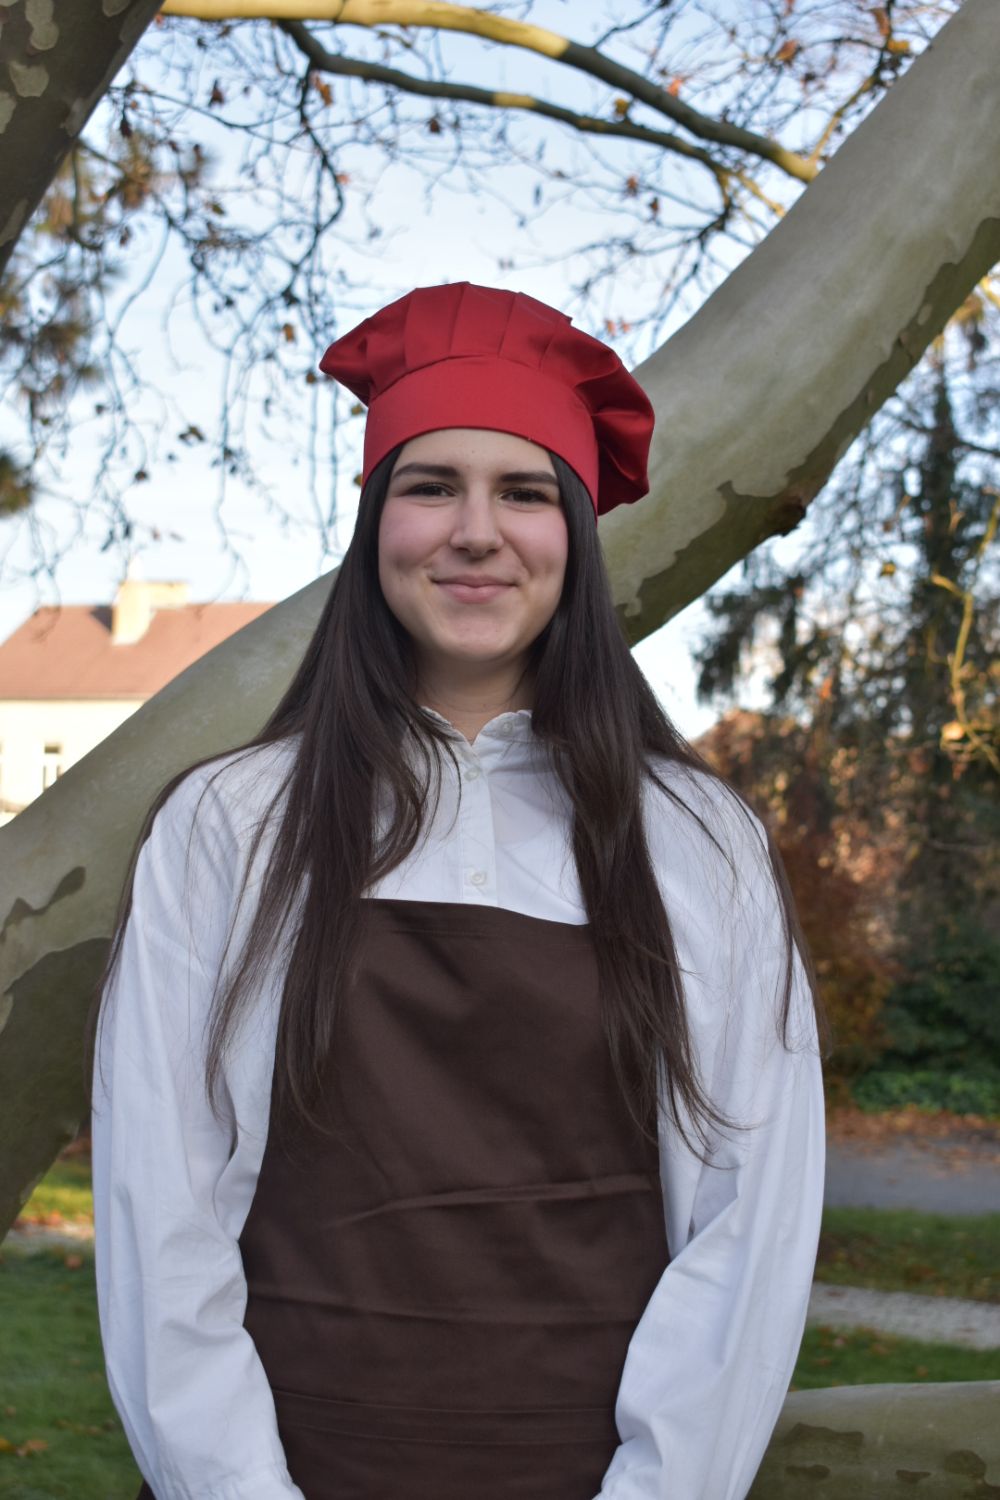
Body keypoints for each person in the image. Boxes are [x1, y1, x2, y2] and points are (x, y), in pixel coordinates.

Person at [92, 281, 826, 1500]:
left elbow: (750, 1227)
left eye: (524, 492)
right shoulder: (228, 825)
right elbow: (158, 1211)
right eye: (431, 485)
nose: (476, 531)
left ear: (574, 537)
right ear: (375, 523)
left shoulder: (699, 842)